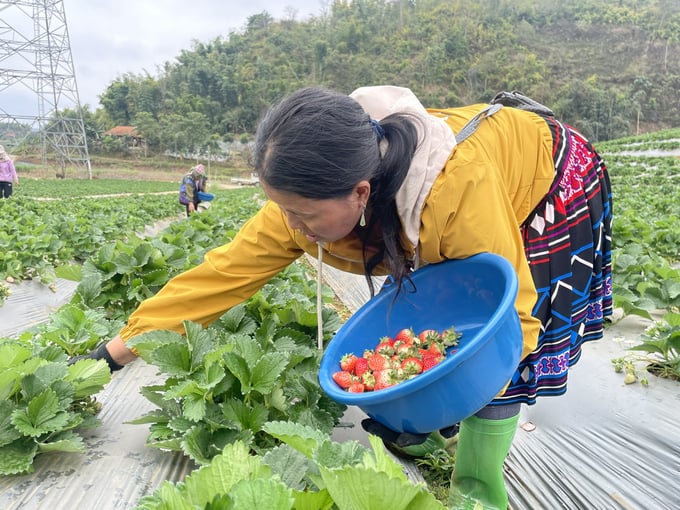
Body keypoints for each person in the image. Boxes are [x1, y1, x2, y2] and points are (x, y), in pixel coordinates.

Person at [73, 86, 612, 509]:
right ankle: (425, 433)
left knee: (496, 343)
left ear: (360, 192)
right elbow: (220, 276)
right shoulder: (307, 196)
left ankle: (478, 492)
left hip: (549, 179)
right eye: (283, 209)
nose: (293, 227)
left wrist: (442, 394)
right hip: (439, 201)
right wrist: (114, 353)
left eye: (305, 215)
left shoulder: (454, 189)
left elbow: (506, 319)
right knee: (423, 331)